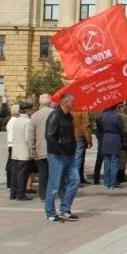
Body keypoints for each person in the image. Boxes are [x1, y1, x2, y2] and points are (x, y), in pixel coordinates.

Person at [44, 94, 80, 223]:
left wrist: (73, 148)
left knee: (75, 181)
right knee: (54, 185)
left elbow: (70, 135)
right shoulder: (55, 115)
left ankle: (65, 209)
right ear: (65, 102)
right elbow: (49, 135)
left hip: (70, 155)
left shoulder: (69, 116)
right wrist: (58, 151)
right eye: (72, 102)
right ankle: (50, 213)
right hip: (57, 156)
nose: (74, 104)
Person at [8, 102, 35, 200]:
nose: (33, 112)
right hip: (24, 151)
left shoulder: (16, 120)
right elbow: (28, 139)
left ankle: (13, 193)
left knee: (15, 173)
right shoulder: (27, 122)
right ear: (27, 110)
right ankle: (20, 194)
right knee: (22, 174)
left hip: (15, 151)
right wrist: (32, 152)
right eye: (32, 110)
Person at [30, 94, 53, 201]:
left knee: (43, 172)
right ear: (50, 102)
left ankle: (43, 194)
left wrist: (32, 150)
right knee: (54, 172)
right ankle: (52, 192)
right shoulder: (54, 114)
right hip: (54, 148)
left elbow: (31, 135)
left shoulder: (35, 116)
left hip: (40, 149)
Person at [99, 104, 124, 189]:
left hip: (106, 138)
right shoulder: (117, 116)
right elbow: (121, 128)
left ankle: (106, 182)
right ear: (116, 108)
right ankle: (113, 183)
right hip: (115, 138)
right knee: (114, 161)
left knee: (107, 161)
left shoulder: (104, 116)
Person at [72, 111, 93, 186]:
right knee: (79, 159)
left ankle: (80, 178)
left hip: (72, 136)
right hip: (80, 136)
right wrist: (89, 139)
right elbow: (86, 126)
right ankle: (76, 180)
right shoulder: (83, 111)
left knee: (77, 158)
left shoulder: (71, 109)